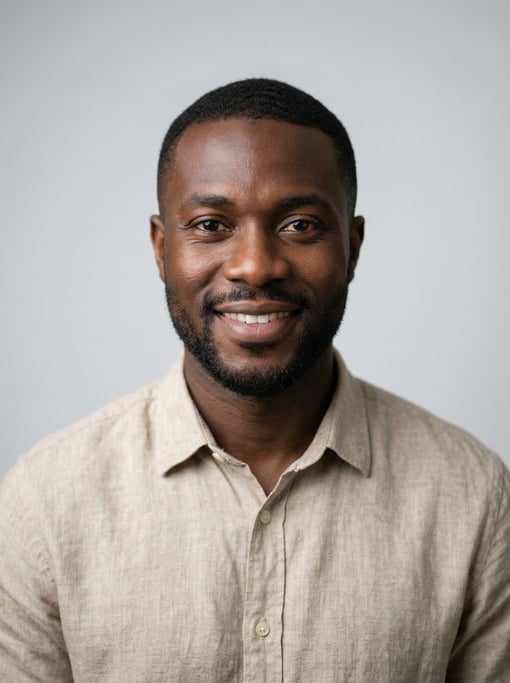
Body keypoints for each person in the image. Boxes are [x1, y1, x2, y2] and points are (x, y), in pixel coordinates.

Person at [0, 78, 508, 682]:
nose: (255, 266)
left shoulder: (472, 496)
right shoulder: (46, 501)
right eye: (211, 225)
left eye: (298, 225)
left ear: (353, 245)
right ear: (162, 249)